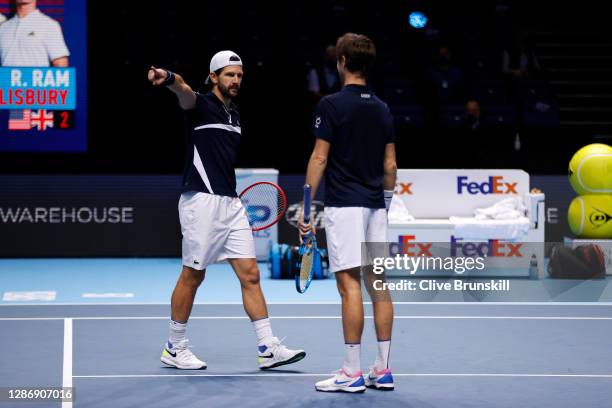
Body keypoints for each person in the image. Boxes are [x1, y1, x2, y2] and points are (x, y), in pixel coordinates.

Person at [148, 51, 305, 370]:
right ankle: (174, 347)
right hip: (201, 200)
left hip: (231, 203)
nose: (236, 80)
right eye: (229, 74)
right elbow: (183, 90)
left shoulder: (235, 115)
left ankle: (268, 347)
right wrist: (168, 77)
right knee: (193, 274)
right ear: (214, 76)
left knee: (251, 274)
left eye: (239, 75)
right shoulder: (200, 105)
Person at [299, 33, 397, 392]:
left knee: (349, 285)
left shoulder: (331, 105)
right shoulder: (383, 108)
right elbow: (390, 166)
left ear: (341, 61)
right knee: (379, 284)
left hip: (345, 205)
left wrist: (307, 209)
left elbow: (320, 157)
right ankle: (382, 369)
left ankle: (352, 372)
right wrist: (384, 205)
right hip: (375, 206)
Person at [0, 0, 70, 67]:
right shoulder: (3, 28)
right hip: (5, 79)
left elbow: (61, 65)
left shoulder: (49, 25)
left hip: (36, 79)